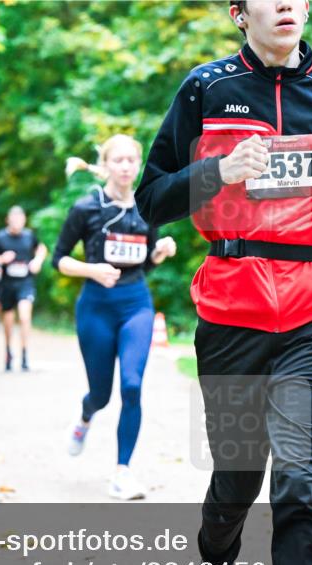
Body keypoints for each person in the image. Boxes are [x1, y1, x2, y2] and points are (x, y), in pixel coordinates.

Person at [134, 1, 312, 565]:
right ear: (242, 13)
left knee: (301, 477)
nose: (288, 5)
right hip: (232, 315)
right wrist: (217, 172)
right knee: (237, 479)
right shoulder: (206, 90)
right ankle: (214, 564)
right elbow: (152, 200)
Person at [52, 134, 177, 500]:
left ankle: (122, 472)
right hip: (96, 306)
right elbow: (58, 259)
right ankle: (85, 416)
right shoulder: (86, 208)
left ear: (138, 165)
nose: (125, 166)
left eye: (130, 160)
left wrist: (161, 252)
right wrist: (92, 271)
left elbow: (145, 262)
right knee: (102, 394)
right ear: (105, 165)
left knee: (133, 386)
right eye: (117, 160)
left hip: (136, 302)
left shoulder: (146, 207)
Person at [0, 206, 48, 371]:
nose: (17, 222)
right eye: (14, 219)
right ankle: (8, 352)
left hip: (25, 282)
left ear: (24, 220)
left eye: (20, 219)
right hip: (7, 284)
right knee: (9, 322)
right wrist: (1, 258)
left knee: (25, 317)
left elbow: (41, 248)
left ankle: (25, 354)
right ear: (8, 220)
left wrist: (37, 261)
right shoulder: (0, 237)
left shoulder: (29, 236)